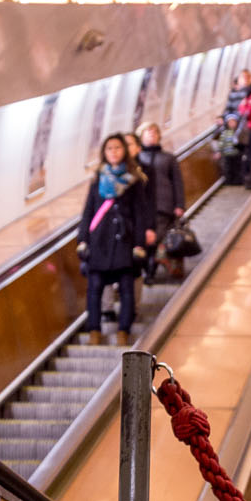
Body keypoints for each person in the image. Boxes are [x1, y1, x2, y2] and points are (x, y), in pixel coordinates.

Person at [76, 135, 155, 346]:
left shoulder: (133, 180)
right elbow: (88, 211)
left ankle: (123, 330)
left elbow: (140, 214)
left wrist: (139, 244)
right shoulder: (97, 179)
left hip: (125, 241)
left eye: (117, 148)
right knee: (94, 289)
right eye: (109, 148)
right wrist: (82, 239)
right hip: (99, 241)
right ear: (104, 152)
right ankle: (94, 330)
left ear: (124, 151)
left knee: (127, 288)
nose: (113, 152)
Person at [137, 121, 185, 283]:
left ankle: (150, 270)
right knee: (145, 239)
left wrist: (180, 204)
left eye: (154, 132)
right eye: (148, 132)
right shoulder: (137, 159)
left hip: (163, 204)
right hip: (142, 206)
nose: (151, 134)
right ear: (141, 136)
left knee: (156, 239)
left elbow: (177, 182)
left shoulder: (168, 158)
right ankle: (147, 268)